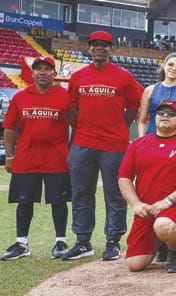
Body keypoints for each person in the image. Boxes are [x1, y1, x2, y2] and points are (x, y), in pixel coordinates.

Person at [64, 30, 144, 261]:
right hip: (83, 143)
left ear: (111, 49)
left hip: (113, 144)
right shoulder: (78, 77)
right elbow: (72, 108)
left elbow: (133, 106)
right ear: (88, 48)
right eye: (95, 45)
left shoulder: (123, 76)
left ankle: (113, 241)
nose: (99, 48)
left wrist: (119, 125)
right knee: (81, 193)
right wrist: (82, 128)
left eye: (104, 45)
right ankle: (83, 241)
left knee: (115, 194)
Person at [118, 101, 176, 273]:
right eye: (161, 112)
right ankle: (161, 241)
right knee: (135, 264)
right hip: (146, 209)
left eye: (171, 114)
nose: (165, 115)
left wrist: (168, 201)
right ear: (153, 117)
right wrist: (136, 204)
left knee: (164, 225)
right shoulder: (137, 144)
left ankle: (174, 250)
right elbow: (124, 178)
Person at [0, 56, 71, 261]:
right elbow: (10, 128)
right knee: (24, 202)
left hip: (57, 158)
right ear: (32, 73)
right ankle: (21, 243)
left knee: (58, 201)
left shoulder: (64, 96)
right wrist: (10, 155)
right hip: (27, 158)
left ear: (54, 74)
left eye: (47, 69)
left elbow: (76, 123)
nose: (42, 72)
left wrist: (72, 150)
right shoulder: (20, 97)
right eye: (38, 69)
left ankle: (60, 241)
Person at [137, 52, 176, 139]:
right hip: (153, 137)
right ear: (164, 66)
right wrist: (141, 141)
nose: (174, 68)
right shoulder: (149, 90)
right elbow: (142, 121)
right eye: (171, 64)